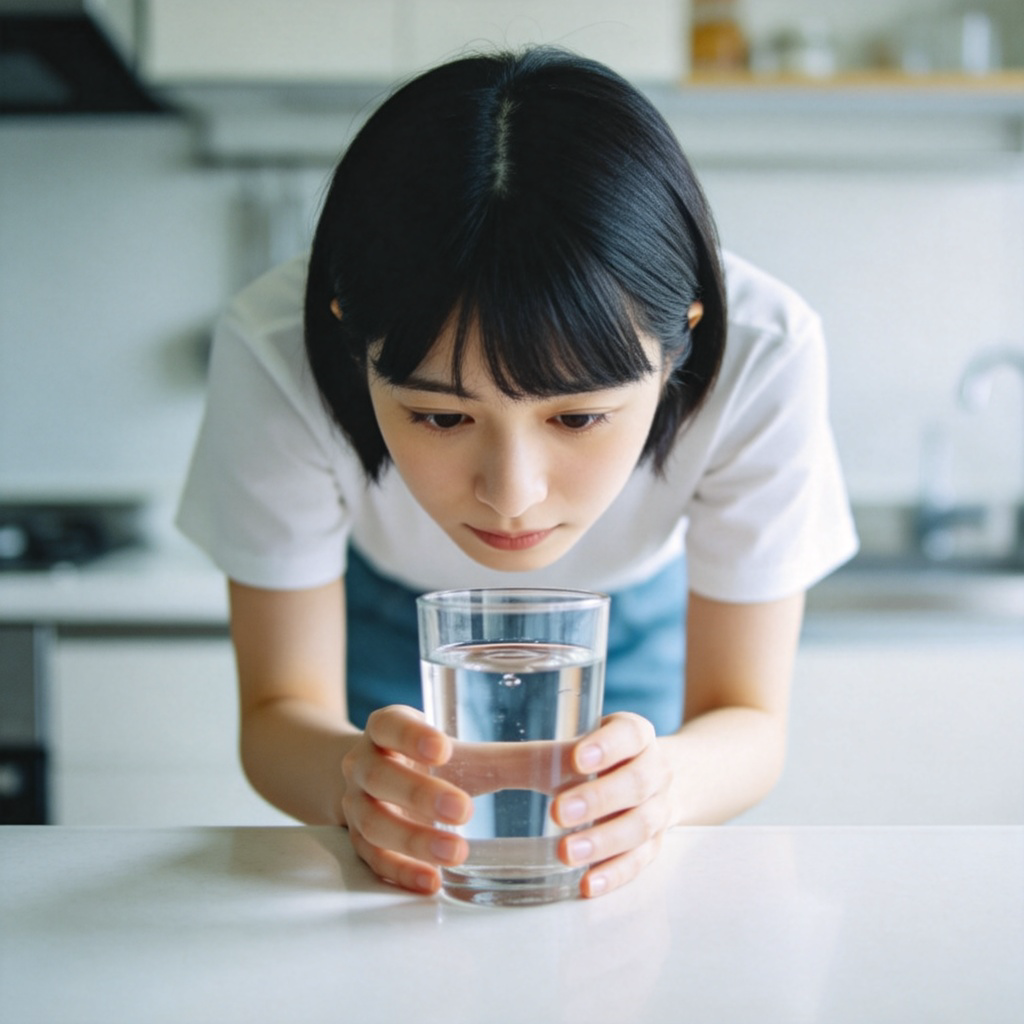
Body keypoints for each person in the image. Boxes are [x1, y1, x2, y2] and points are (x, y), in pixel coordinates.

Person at [177, 47, 857, 899]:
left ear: (682, 337)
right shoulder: (275, 346)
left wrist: (660, 786)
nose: (512, 494)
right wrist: (353, 781)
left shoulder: (764, 349)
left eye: (576, 418)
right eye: (440, 416)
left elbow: (748, 720)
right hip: (392, 610)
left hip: (630, 612)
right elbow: (279, 715)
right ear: (351, 337)